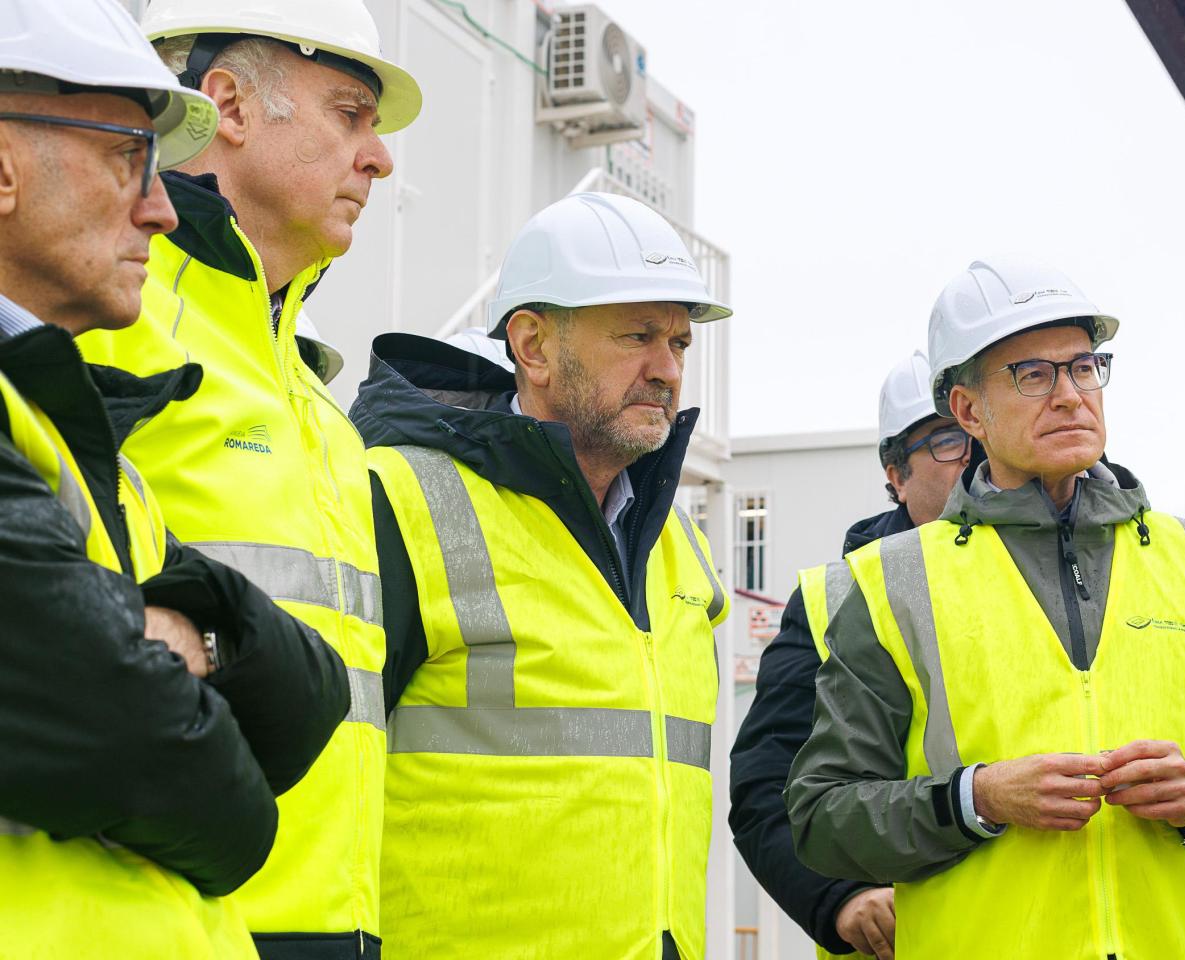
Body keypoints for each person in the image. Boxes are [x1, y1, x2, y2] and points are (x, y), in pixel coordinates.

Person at [787, 258, 1185, 958]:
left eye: (1084, 367)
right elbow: (822, 817)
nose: (1070, 394)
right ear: (968, 411)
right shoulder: (893, 582)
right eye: (1033, 374)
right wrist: (977, 800)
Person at [72, 1, 422, 954]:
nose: (380, 158)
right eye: (350, 113)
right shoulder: (107, 331)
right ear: (225, 102)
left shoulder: (321, 410)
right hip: (173, 923)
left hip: (336, 929)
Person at [0, 0, 347, 953]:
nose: (160, 205)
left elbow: (312, 696)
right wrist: (170, 654)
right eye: (126, 157)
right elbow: (127, 736)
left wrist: (187, 639)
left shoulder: (63, 427)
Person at [352, 192, 731, 960]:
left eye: (681, 344)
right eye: (638, 335)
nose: (666, 369)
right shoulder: (397, 499)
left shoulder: (678, 547)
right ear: (532, 345)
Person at [730, 350, 972, 959]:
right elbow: (766, 784)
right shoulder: (835, 600)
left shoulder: (1070, 578)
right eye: (946, 440)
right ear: (894, 474)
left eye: (978, 434)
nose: (971, 459)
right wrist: (836, 896)